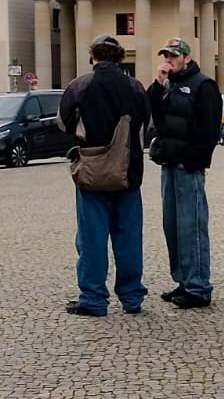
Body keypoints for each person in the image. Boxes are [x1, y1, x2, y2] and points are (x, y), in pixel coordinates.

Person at [58, 34, 150, 316]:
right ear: (120, 57)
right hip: (128, 172)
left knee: (92, 238)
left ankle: (94, 298)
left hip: (93, 171)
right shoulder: (135, 86)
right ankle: (132, 297)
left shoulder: (80, 85)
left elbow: (63, 123)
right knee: (129, 237)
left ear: (93, 56)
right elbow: (147, 125)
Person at [147, 38, 222, 309]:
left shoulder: (203, 85)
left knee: (192, 227)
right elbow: (152, 112)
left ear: (186, 58)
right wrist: (157, 85)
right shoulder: (169, 85)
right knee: (173, 227)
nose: (169, 60)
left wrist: (193, 160)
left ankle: (199, 285)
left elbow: (209, 129)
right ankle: (183, 280)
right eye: (166, 55)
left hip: (187, 167)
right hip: (169, 164)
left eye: (173, 56)